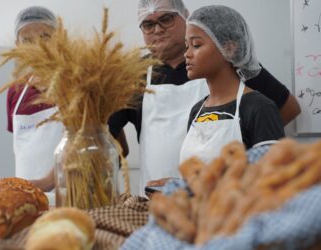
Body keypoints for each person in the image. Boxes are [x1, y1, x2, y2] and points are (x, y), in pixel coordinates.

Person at [108, 0, 300, 191]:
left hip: (227, 201)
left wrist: (250, 140)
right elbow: (109, 137)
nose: (157, 30)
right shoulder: (133, 75)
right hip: (160, 196)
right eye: (148, 25)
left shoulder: (226, 64)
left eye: (166, 19)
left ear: (185, 16)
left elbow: (287, 108)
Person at [7, 6, 128, 191]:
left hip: (75, 197)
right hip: (29, 201)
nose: (37, 46)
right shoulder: (15, 91)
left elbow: (111, 142)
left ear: (59, 39)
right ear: (17, 45)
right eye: (27, 40)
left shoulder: (80, 83)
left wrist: (49, 182)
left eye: (45, 37)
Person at [179, 5, 285, 164]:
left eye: (196, 45)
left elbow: (272, 179)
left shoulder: (260, 109)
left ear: (229, 48)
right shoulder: (197, 111)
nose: (186, 54)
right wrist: (174, 183)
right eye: (186, 46)